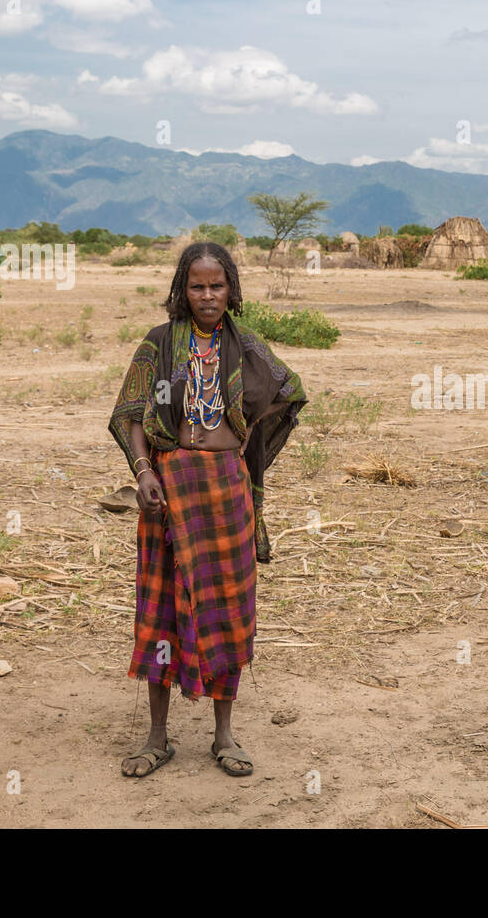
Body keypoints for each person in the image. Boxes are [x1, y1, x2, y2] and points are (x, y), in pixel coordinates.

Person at [107, 241, 307, 777]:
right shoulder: (157, 344)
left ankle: (224, 737)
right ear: (182, 289)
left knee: (225, 610)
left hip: (226, 493)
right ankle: (157, 737)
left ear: (231, 288)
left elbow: (290, 389)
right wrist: (144, 472)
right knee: (162, 610)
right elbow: (129, 413)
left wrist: (248, 443)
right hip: (168, 492)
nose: (207, 295)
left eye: (216, 285)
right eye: (197, 286)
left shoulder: (246, 345)